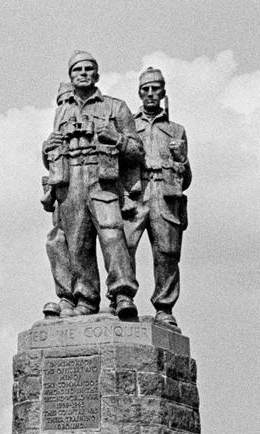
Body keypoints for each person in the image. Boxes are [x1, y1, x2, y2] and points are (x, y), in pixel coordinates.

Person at [41, 51, 144, 321]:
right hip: (72, 178)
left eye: (89, 69)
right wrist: (46, 149)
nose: (84, 73)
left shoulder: (116, 107)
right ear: (71, 76)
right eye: (78, 69)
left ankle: (122, 294)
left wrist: (117, 139)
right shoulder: (63, 111)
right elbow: (53, 152)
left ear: (97, 75)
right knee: (77, 243)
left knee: (112, 235)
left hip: (103, 179)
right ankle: (85, 298)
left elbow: (137, 151)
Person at [124, 66, 191, 331]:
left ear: (163, 93)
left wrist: (181, 158)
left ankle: (164, 307)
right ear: (140, 93)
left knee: (167, 253)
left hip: (165, 194)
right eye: (145, 89)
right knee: (123, 245)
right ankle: (123, 297)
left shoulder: (176, 130)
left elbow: (186, 179)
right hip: (136, 192)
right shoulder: (129, 124)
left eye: (155, 89)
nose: (150, 94)